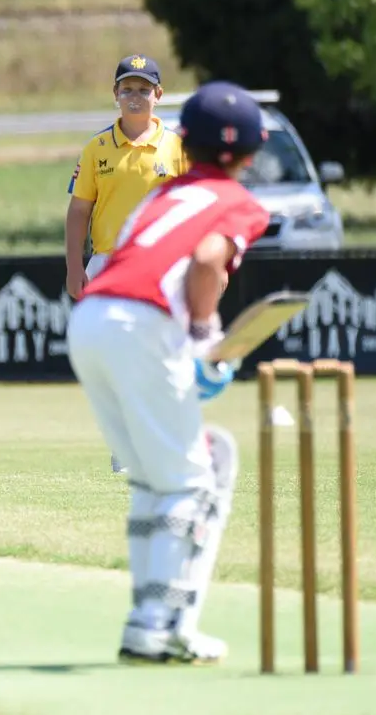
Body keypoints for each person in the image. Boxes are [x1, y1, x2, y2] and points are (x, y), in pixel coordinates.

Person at [65, 81, 271, 665]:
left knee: (159, 479)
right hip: (140, 326)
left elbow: (149, 261)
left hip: (92, 321)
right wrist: (204, 337)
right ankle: (162, 625)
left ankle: (148, 620)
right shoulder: (241, 204)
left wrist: (188, 340)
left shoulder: (162, 194)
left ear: (184, 141)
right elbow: (207, 264)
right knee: (196, 478)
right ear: (253, 152)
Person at [64, 54, 185, 474]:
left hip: (163, 262)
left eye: (143, 89)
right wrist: (73, 267)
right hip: (110, 265)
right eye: (127, 89)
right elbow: (79, 211)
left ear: (159, 95)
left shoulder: (178, 147)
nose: (135, 97)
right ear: (115, 95)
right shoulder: (96, 148)